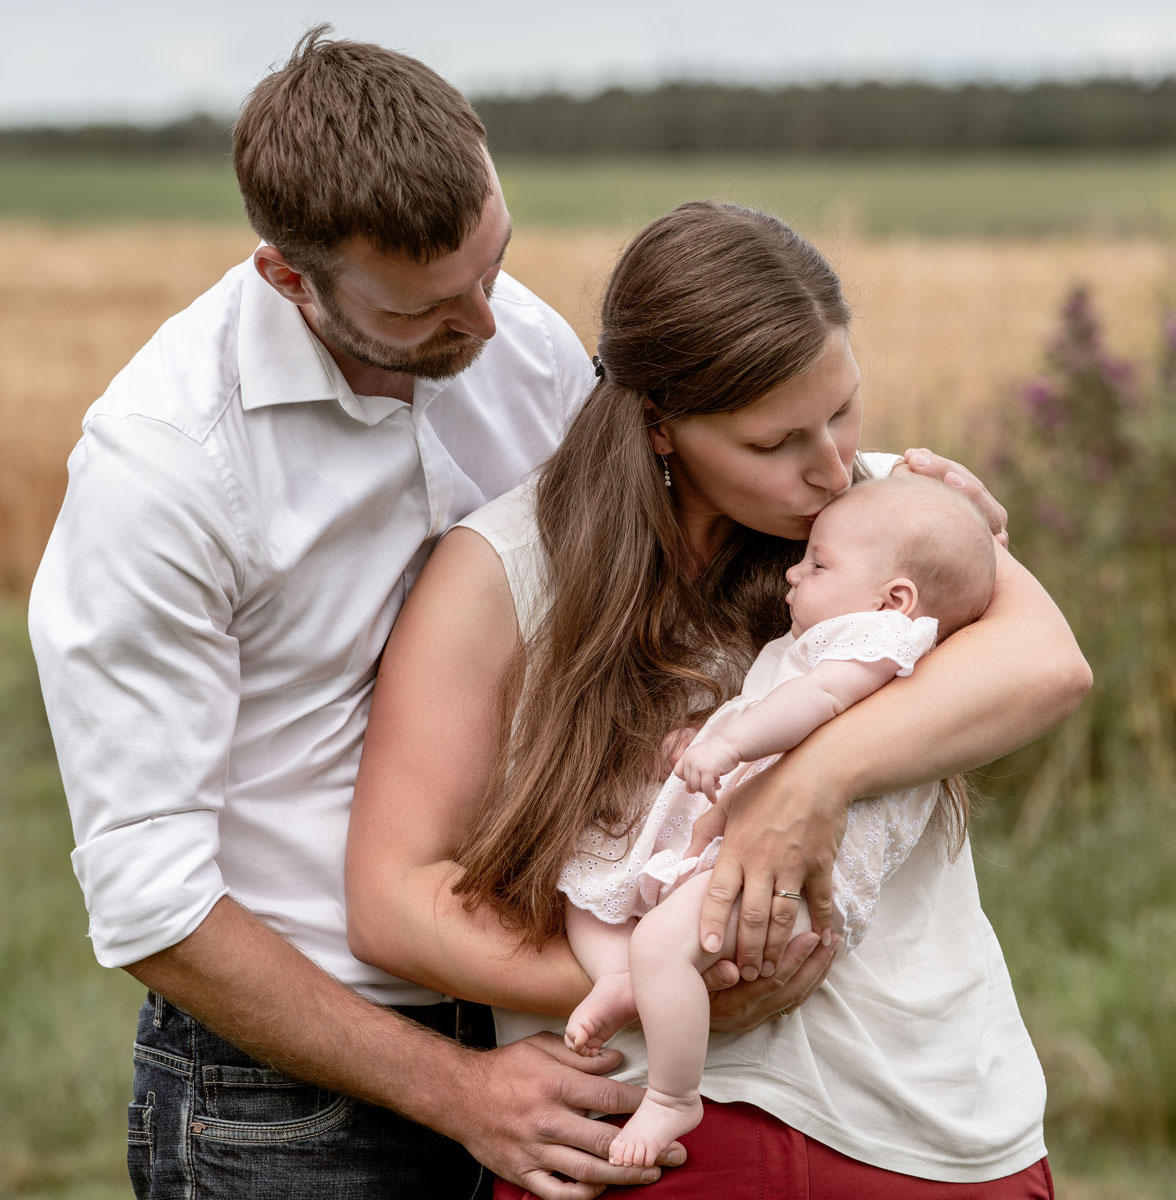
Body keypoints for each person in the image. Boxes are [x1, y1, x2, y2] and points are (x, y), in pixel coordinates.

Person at [27, 27, 710, 1200]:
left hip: (542, 1019)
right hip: (286, 1106)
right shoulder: (164, 472)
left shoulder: (515, 336)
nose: (488, 329)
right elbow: (153, 902)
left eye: (494, 268)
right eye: (427, 314)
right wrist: (455, 1092)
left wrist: (888, 494)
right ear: (288, 277)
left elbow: (676, 505)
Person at [346, 201, 1091, 1198]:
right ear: (659, 425)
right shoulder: (502, 574)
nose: (831, 468)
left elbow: (1050, 665)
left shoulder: (893, 518)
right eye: (775, 442)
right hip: (652, 1132)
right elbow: (392, 900)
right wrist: (660, 985)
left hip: (936, 1125)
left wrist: (809, 784)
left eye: (843, 410)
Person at [558, 474, 998, 1167]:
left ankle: (674, 1094)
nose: (795, 572)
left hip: (786, 872)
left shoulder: (881, 641)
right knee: (589, 891)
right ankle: (620, 980)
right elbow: (774, 709)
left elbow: (817, 702)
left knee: (661, 946)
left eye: (819, 564)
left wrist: (730, 745)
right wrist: (701, 741)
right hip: (741, 843)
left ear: (895, 598)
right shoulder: (830, 642)